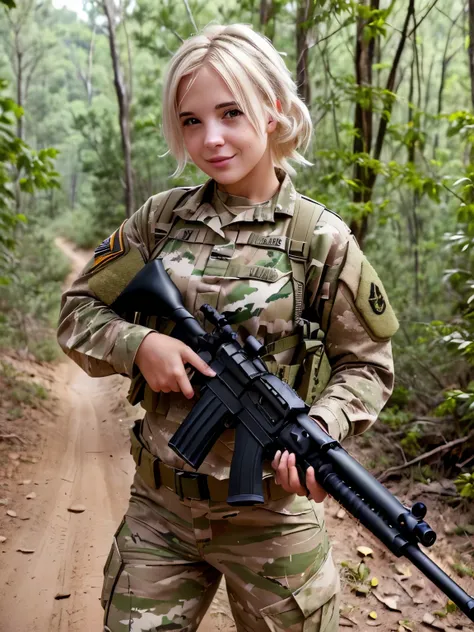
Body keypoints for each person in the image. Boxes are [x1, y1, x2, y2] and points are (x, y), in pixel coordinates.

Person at [57, 23, 398, 632]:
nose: (210, 138)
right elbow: (77, 312)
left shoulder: (318, 239)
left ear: (272, 112)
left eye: (230, 112)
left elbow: (368, 364)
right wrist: (140, 346)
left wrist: (324, 425)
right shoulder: (159, 220)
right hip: (158, 512)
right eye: (191, 121)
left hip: (273, 523)